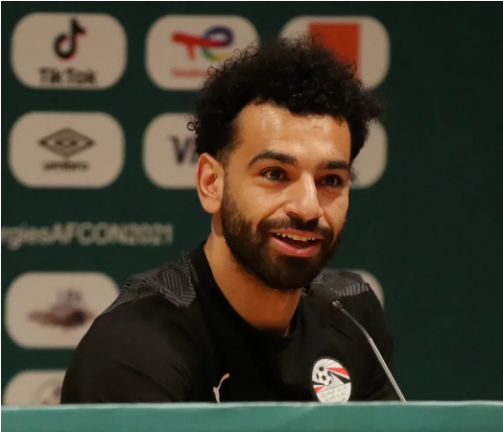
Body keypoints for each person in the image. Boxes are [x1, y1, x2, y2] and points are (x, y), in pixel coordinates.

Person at [61, 36, 395, 403]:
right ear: (211, 183)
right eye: (275, 174)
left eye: (330, 180)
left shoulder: (352, 313)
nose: (308, 208)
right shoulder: (135, 345)